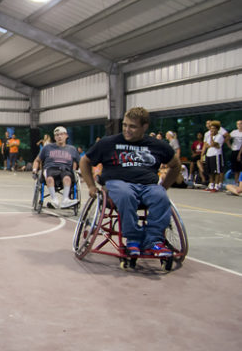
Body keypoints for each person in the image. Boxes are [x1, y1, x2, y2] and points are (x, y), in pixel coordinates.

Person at [80, 107, 181, 257]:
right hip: (117, 184)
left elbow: (176, 165)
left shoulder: (157, 145)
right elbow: (84, 161)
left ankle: (154, 241)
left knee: (160, 195)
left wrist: (164, 187)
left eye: (132, 126)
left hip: (148, 186)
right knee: (126, 194)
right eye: (125, 125)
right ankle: (134, 238)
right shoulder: (108, 143)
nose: (127, 129)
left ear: (144, 127)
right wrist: (91, 186)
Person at [31, 126, 80, 208]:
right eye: (57, 135)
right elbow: (37, 160)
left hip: (65, 169)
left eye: (61, 134)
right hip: (50, 168)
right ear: (54, 137)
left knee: (67, 177)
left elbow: (81, 162)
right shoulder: (47, 148)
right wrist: (34, 170)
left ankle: (65, 200)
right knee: (49, 178)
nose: (59, 136)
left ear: (66, 136)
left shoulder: (72, 149)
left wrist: (81, 171)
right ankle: (54, 200)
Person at [202, 120, 225, 192]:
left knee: (216, 171)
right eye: (211, 128)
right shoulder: (208, 136)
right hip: (209, 154)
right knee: (210, 171)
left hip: (216, 155)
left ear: (217, 129)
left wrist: (212, 138)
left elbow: (214, 144)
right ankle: (211, 184)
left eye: (213, 128)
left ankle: (216, 185)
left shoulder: (220, 136)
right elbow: (207, 145)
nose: (212, 130)